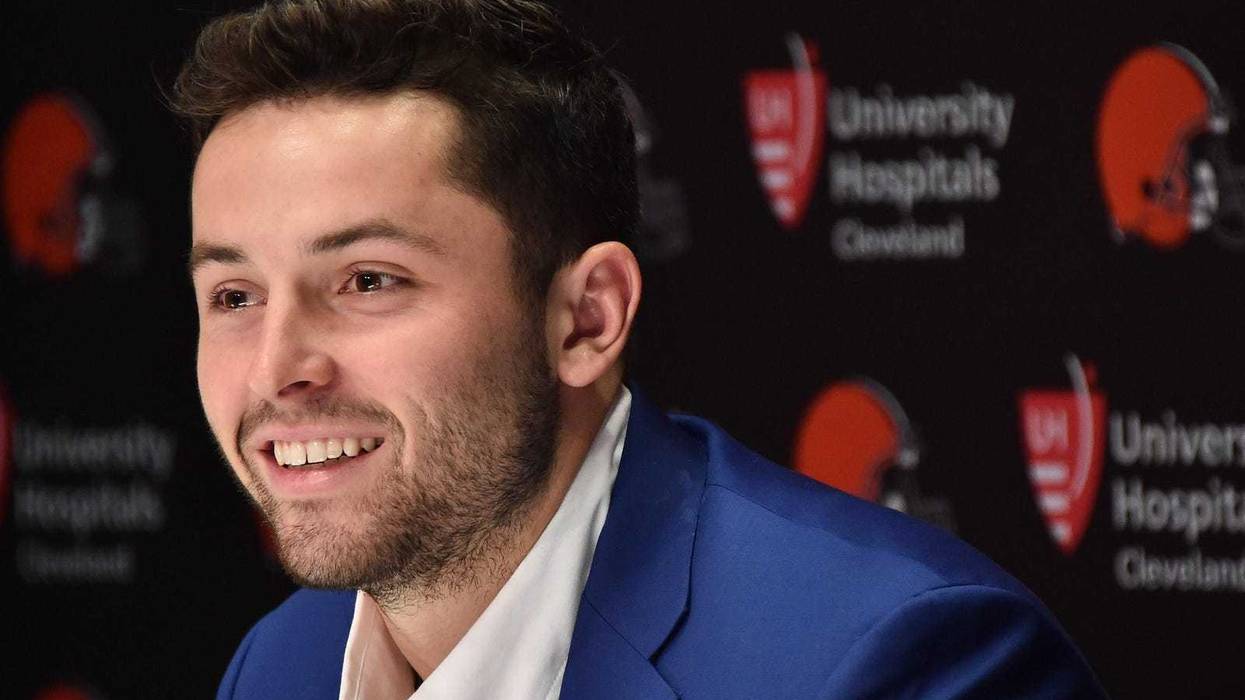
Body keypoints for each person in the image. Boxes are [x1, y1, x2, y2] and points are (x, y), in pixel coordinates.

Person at [175, 1, 1107, 697]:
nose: (276, 368)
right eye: (233, 295)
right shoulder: (279, 665)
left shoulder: (898, 664)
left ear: (587, 319)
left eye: (367, 281)